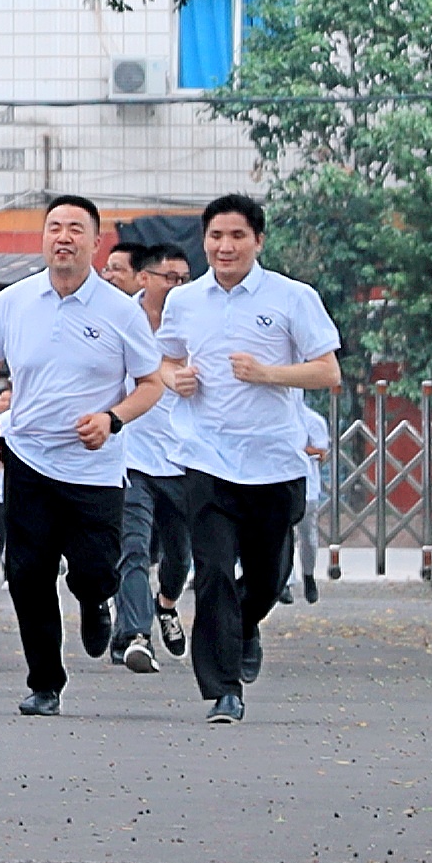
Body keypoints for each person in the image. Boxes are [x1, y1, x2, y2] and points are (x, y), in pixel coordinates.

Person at [0, 194, 169, 717]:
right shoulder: (12, 302)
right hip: (29, 457)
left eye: (76, 229)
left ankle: (96, 599)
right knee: (26, 573)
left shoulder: (120, 312)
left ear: (96, 243)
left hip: (94, 467)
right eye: (54, 226)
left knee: (96, 569)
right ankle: (44, 682)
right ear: (43, 238)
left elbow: (152, 384)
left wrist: (112, 419)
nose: (63, 237)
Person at [151, 193, 343, 722]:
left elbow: (328, 372)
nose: (225, 246)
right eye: (216, 236)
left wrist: (268, 374)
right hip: (206, 457)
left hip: (275, 461)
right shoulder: (185, 301)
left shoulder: (292, 297)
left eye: (237, 236)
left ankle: (242, 624)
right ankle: (223, 688)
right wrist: (176, 379)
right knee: (212, 571)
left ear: (258, 241)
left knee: (266, 578)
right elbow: (166, 360)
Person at [112, 236, 196, 674]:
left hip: (182, 460)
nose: (179, 285)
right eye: (170, 277)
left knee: (179, 556)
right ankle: (135, 634)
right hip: (132, 457)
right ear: (145, 278)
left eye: (185, 278)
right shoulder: (121, 318)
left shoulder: (197, 320)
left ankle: (166, 605)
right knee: (134, 550)